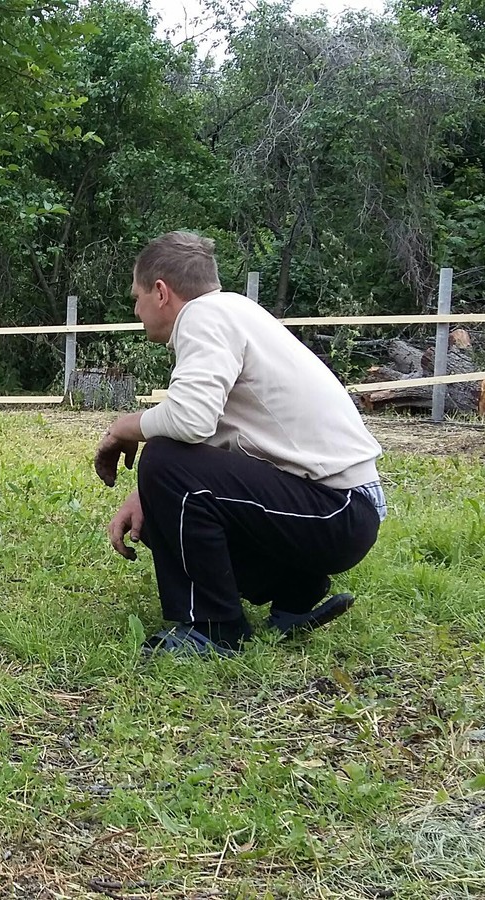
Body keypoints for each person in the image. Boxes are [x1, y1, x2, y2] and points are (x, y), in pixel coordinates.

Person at [94, 231, 388, 657]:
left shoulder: (204, 316)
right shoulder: (234, 313)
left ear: (161, 292)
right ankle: (293, 589)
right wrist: (146, 494)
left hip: (337, 510)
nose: (136, 310)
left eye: (135, 297)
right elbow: (213, 434)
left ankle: (214, 629)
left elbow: (188, 423)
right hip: (338, 513)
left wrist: (123, 426)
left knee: (162, 457)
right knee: (161, 492)